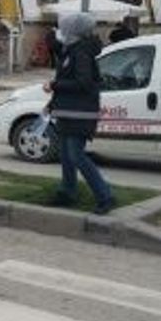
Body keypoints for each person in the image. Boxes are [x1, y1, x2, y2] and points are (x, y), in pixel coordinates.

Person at [44, 12, 115, 213]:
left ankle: (106, 196)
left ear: (73, 30)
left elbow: (83, 83)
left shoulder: (80, 52)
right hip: (70, 111)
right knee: (67, 155)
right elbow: (63, 66)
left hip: (80, 113)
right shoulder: (71, 49)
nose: (60, 31)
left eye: (63, 28)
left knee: (76, 155)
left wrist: (55, 85)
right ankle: (68, 192)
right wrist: (52, 103)